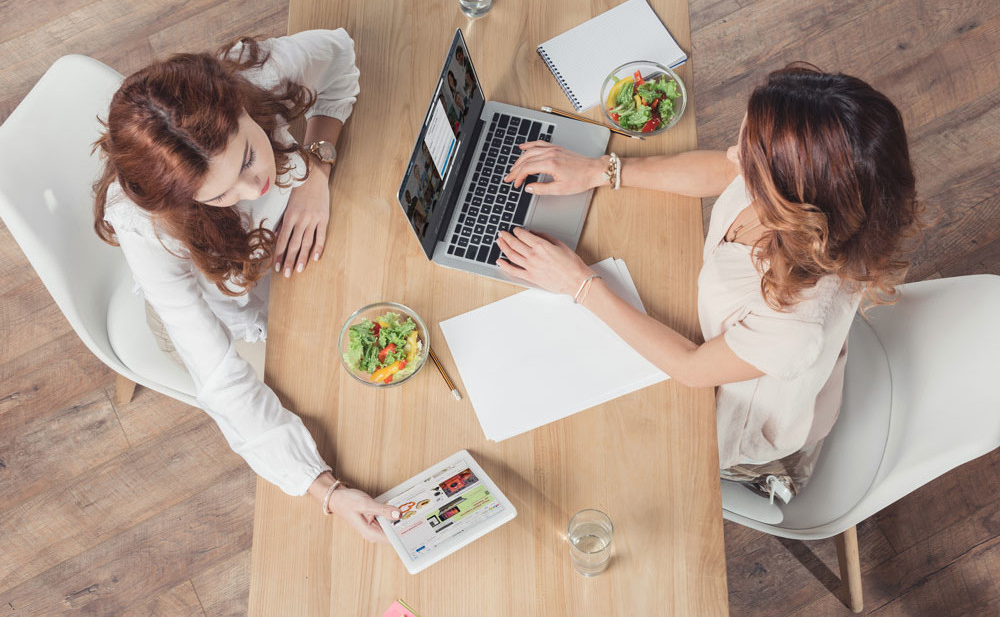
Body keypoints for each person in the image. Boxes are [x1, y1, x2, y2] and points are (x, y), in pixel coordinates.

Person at [499, 65, 920, 499]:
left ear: (797, 199)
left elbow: (692, 368)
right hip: (732, 350)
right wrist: (603, 170)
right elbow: (723, 173)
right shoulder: (801, 193)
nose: (734, 155)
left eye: (751, 160)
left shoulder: (798, 323)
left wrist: (579, 284)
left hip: (737, 425)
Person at [93, 29, 399, 540]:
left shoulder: (256, 72)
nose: (252, 187)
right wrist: (325, 489)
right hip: (222, 319)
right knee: (345, 407)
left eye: (248, 158)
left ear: (240, 105)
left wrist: (317, 170)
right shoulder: (148, 229)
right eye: (216, 197)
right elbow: (221, 380)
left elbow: (342, 56)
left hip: (278, 256)